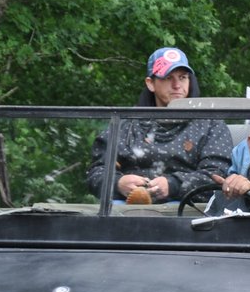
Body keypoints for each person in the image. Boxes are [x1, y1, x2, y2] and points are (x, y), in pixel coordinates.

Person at [87, 46, 233, 202]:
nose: (177, 85)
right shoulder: (126, 124)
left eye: (183, 77)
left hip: (188, 209)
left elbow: (218, 175)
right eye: (168, 78)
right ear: (150, 83)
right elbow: (96, 173)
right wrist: (117, 183)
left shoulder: (211, 124)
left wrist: (173, 185)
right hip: (126, 208)